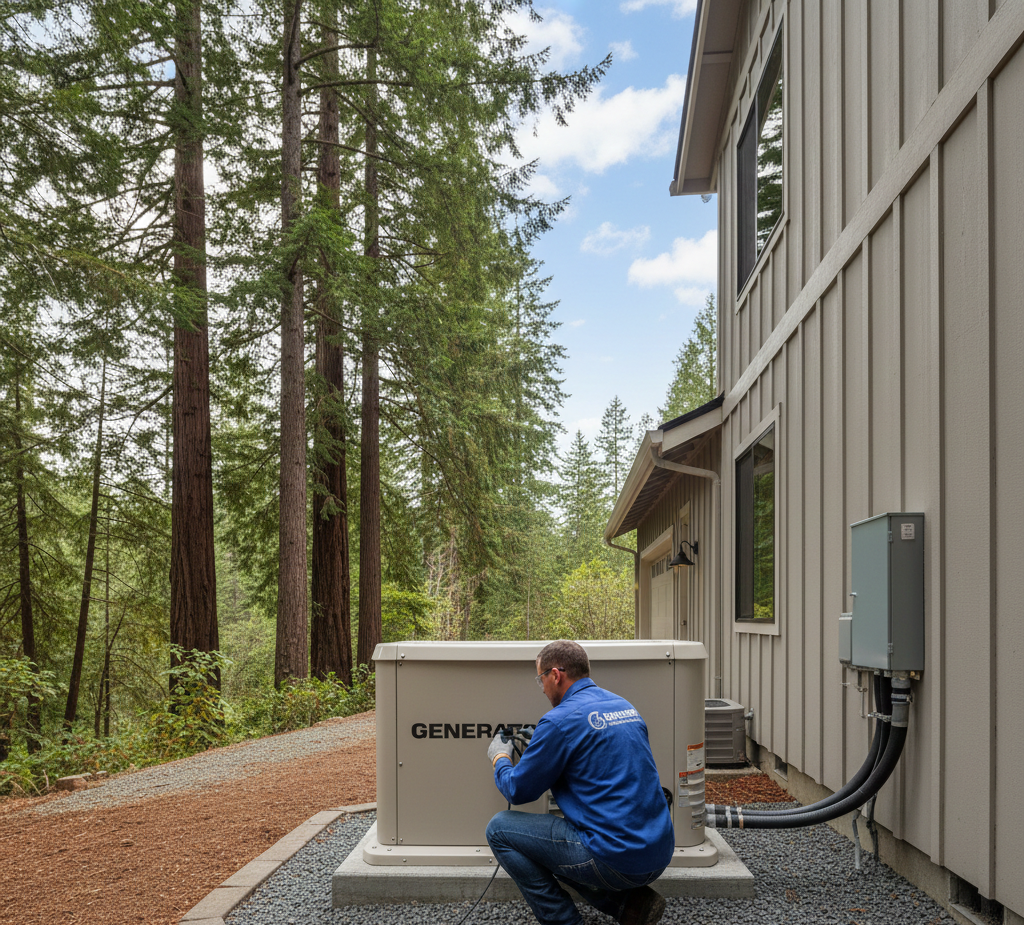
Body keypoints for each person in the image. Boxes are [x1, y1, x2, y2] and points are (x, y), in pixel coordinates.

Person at [485, 640, 674, 925]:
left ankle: (563, 921)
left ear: (556, 675)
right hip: (658, 853)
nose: (543, 687)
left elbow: (517, 790)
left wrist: (500, 756)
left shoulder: (559, 721)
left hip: (616, 860)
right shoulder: (623, 705)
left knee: (499, 829)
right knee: (550, 846)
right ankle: (631, 905)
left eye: (541, 679)